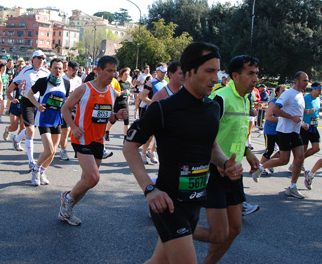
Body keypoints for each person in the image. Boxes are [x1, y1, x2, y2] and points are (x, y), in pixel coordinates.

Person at [123, 43, 241, 263]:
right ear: (189, 72)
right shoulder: (163, 109)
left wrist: (226, 164)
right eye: (209, 71)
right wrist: (149, 189)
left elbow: (212, 147)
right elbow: (129, 147)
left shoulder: (212, 108)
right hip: (168, 204)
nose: (216, 78)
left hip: (195, 201)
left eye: (217, 71)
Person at [193, 55, 261, 263]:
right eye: (251, 73)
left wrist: (248, 154)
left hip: (234, 170)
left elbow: (236, 133)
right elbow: (202, 136)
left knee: (235, 229)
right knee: (220, 233)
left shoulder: (245, 99)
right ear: (234, 75)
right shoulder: (220, 98)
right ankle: (175, 226)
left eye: (257, 74)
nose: (255, 79)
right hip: (215, 171)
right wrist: (219, 162)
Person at [58, 56, 128, 226]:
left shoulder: (111, 91)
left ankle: (66, 210)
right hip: (81, 138)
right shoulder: (84, 89)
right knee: (93, 178)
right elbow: (65, 109)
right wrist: (74, 128)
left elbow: (104, 114)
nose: (112, 75)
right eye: (109, 71)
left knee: (87, 181)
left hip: (99, 140)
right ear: (98, 70)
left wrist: (116, 116)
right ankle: (67, 198)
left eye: (114, 72)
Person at [252, 71, 309, 199]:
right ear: (297, 81)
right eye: (304, 80)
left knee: (299, 158)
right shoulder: (288, 94)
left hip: (295, 131)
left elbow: (297, 112)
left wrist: (303, 121)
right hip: (284, 131)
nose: (306, 82)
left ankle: (292, 187)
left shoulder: (301, 95)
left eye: (307, 80)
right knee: (284, 160)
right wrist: (290, 117)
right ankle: (260, 168)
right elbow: (275, 109)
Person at [25, 58, 70, 186]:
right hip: (44, 119)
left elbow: (65, 100)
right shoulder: (43, 82)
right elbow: (29, 94)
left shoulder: (66, 83)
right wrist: (38, 105)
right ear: (50, 69)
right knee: (49, 150)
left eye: (60, 68)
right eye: (55, 68)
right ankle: (35, 169)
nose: (57, 71)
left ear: (63, 69)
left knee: (53, 152)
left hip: (57, 120)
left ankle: (42, 171)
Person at [11, 50, 50, 169]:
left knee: (31, 129)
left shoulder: (46, 73)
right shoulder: (26, 71)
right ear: (33, 59)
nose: (41, 60)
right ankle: (31, 160)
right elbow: (15, 81)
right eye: (38, 58)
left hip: (40, 104)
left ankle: (16, 139)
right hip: (27, 101)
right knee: (31, 131)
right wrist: (19, 86)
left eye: (43, 58)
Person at [260, 85, 288, 173]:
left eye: (286, 91)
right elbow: (269, 117)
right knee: (269, 150)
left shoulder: (285, 103)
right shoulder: (273, 102)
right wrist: (282, 119)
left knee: (284, 150)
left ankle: (269, 162)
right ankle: (260, 167)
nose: (285, 93)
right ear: (277, 93)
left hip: (281, 131)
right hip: (270, 131)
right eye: (283, 91)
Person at [59, 60, 83, 160]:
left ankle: (61, 143)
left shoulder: (78, 79)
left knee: (72, 131)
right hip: (65, 107)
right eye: (73, 70)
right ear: (68, 69)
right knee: (66, 130)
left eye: (77, 71)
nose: (75, 73)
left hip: (76, 108)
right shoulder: (61, 79)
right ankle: (63, 151)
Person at [299, 81, 322, 171]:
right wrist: (307, 111)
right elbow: (298, 111)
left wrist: (320, 110)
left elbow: (316, 110)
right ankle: (298, 163)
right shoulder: (305, 98)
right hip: (304, 126)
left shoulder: (318, 99)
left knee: (317, 147)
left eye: (321, 90)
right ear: (313, 90)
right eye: (318, 90)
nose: (320, 92)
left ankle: (299, 161)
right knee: (304, 148)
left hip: (314, 126)